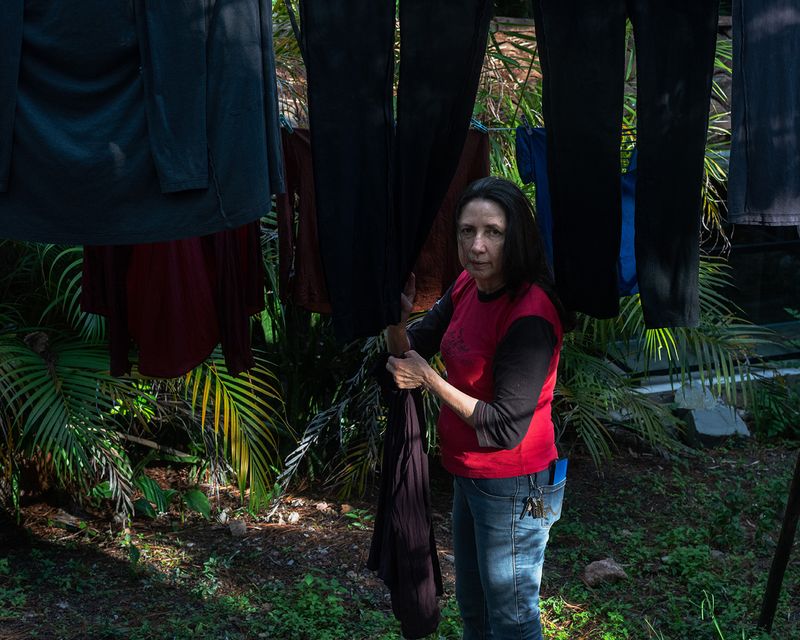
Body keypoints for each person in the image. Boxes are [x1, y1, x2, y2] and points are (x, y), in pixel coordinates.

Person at [385, 176, 572, 640]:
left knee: (511, 617)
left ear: (517, 237)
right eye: (467, 232)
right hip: (471, 475)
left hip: (514, 482)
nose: (478, 245)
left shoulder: (530, 312)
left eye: (493, 232)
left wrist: (429, 379)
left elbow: (505, 426)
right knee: (474, 606)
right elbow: (417, 345)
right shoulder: (468, 284)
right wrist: (397, 320)